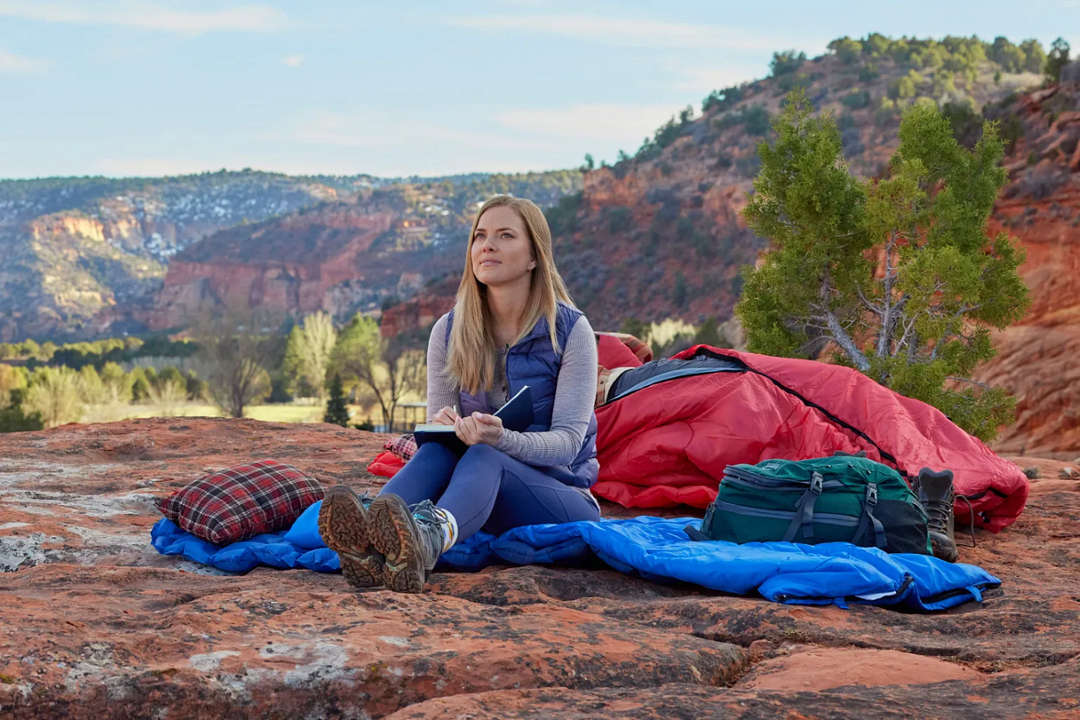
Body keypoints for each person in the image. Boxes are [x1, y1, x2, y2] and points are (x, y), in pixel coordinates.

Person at [319, 195, 601, 593]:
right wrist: (441, 426)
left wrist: (501, 438)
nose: (487, 245)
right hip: (478, 495)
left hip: (560, 496)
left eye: (505, 235)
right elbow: (438, 428)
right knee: (438, 449)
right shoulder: (449, 331)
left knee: (487, 452)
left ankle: (427, 539)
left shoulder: (571, 332)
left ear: (535, 256)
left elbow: (568, 446)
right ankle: (368, 537)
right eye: (480, 236)